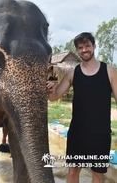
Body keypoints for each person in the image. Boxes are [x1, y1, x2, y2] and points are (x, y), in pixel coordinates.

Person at [46, 32, 117, 183]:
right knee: (73, 171)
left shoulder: (109, 71)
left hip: (101, 134)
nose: (84, 50)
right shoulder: (73, 73)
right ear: (77, 50)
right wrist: (51, 89)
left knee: (98, 173)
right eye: (80, 47)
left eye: (87, 46)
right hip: (77, 133)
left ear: (94, 46)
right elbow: (54, 96)